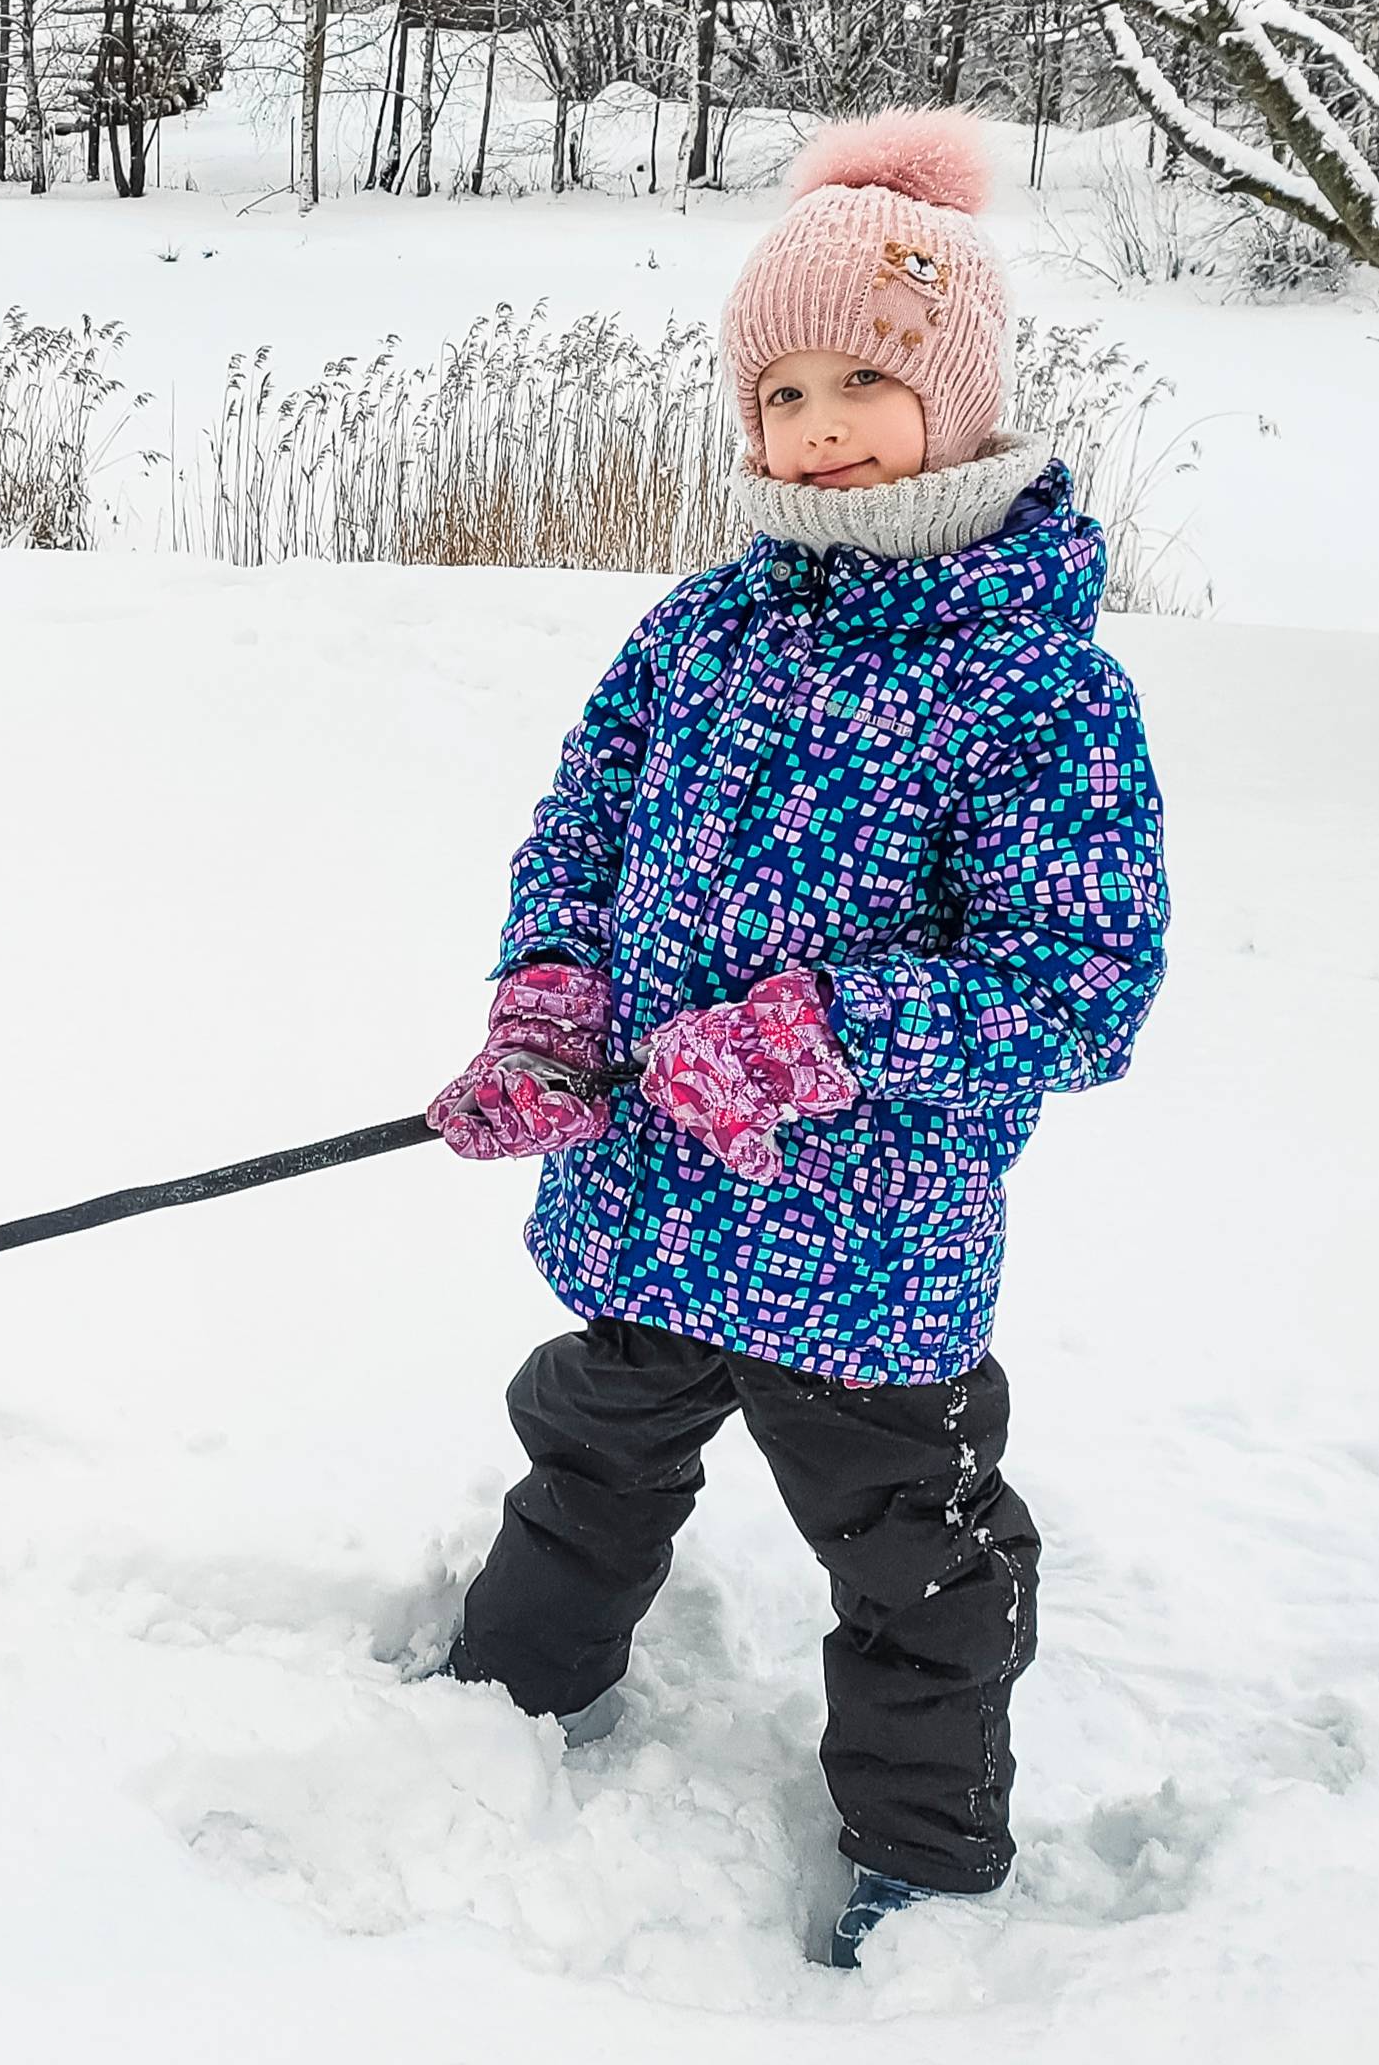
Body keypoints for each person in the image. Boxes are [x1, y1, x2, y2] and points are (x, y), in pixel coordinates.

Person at [424, 110, 1171, 1967]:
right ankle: (485, 1725)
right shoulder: (699, 629)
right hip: (659, 1198)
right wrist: (549, 1011)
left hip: (863, 1240)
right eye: (781, 388)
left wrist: (809, 1038)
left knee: (910, 1559)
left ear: (960, 394)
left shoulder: (1036, 676)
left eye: (864, 378)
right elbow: (580, 840)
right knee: (585, 1459)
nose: (818, 421)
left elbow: (1077, 980)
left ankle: (923, 1868)